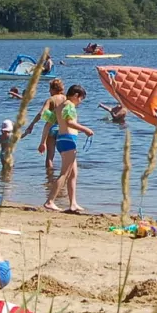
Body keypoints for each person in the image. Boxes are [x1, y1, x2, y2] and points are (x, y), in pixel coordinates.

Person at [43, 85, 94, 214]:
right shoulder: (69, 105)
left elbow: (48, 122)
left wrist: (42, 141)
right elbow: (69, 122)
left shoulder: (59, 106)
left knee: (73, 174)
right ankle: (50, 201)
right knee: (65, 173)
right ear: (76, 95)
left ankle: (73, 203)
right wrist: (86, 129)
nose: (80, 102)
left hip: (61, 140)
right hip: (68, 140)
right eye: (81, 98)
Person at [30, 78, 67, 175]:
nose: (49, 91)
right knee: (66, 156)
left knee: (50, 157)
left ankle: (49, 178)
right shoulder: (66, 99)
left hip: (52, 129)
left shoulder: (51, 100)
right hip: (64, 130)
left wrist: (32, 124)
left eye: (50, 89)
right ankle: (64, 177)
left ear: (54, 89)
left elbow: (41, 114)